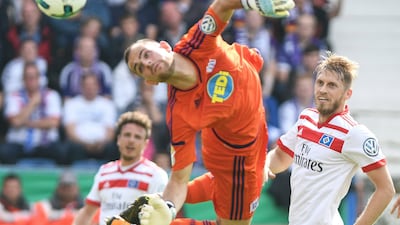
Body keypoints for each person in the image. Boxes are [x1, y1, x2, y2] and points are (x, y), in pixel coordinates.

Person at [111, 0, 295, 225]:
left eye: (147, 54)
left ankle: (152, 204)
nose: (147, 63)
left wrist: (252, 2)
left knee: (254, 171)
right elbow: (179, 178)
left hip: (251, 121)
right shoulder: (179, 114)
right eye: (140, 68)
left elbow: (221, 6)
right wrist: (169, 211)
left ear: (164, 46)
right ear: (150, 80)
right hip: (237, 158)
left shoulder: (196, 42)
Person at [265, 52, 395, 225]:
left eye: (332, 85)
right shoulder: (306, 118)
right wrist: (264, 165)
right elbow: (281, 157)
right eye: (320, 83)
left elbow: (386, 189)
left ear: (347, 94)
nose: (323, 90)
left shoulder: (354, 133)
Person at [72, 111, 169, 225]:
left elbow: (161, 217)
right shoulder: (104, 171)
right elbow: (87, 212)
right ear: (118, 139)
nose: (131, 140)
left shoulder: (156, 175)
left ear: (145, 143)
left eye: (137, 137)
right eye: (127, 135)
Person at [0, 62, 64, 165]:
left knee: (62, 151)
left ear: (39, 78)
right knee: (4, 152)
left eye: (34, 77)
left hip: (45, 144)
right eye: (28, 77)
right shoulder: (14, 96)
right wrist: (32, 103)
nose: (31, 81)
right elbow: (15, 122)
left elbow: (54, 122)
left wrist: (28, 123)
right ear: (23, 79)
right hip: (19, 143)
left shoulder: (51, 95)